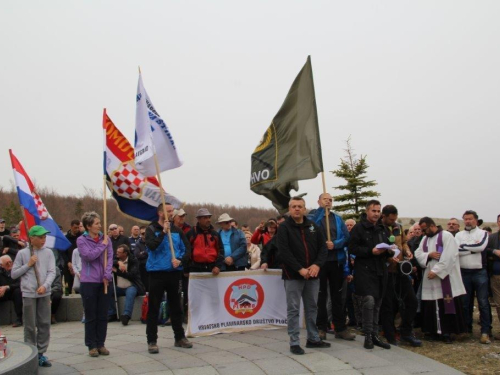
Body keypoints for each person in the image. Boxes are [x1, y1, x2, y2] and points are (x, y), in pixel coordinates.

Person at [278, 196, 329, 355]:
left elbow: (323, 249)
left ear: (305, 208)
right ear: (289, 209)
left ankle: (313, 338)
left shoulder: (313, 226)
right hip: (293, 275)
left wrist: (316, 265)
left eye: (300, 206)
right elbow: (284, 252)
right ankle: (294, 341)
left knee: (312, 307)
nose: (297, 209)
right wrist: (300, 269)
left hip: (313, 275)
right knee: (293, 309)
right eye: (293, 206)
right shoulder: (284, 228)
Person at [145, 203, 192, 353]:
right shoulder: (151, 229)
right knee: (154, 307)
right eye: (169, 211)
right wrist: (163, 233)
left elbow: (187, 250)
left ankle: (179, 337)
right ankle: (152, 340)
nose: (172, 213)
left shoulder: (178, 230)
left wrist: (180, 260)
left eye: (172, 211)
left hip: (174, 273)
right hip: (157, 273)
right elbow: (152, 246)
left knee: (176, 307)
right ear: (160, 213)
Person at [308, 193, 354, 341]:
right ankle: (321, 327)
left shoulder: (338, 219)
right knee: (321, 295)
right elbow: (310, 230)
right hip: (320, 262)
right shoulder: (313, 216)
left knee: (337, 295)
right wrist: (322, 210)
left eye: (330, 200)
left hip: (336, 261)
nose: (328, 201)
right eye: (325, 199)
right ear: (319, 201)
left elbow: (346, 238)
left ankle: (339, 328)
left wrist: (335, 244)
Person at [349, 200, 393, 350]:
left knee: (378, 303)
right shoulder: (358, 228)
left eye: (378, 211)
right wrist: (370, 251)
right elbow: (352, 248)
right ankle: (367, 335)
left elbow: (387, 245)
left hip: (380, 270)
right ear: (367, 211)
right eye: (373, 211)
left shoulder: (383, 229)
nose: (376, 214)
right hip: (365, 270)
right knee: (369, 301)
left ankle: (374, 334)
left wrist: (390, 251)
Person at [415, 217, 467, 343]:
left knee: (446, 303)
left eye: (424, 229)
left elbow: (450, 255)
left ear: (432, 226)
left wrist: (436, 271)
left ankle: (447, 333)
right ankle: (433, 331)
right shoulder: (425, 239)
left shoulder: (446, 236)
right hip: (430, 279)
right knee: (431, 305)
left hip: (444, 278)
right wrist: (429, 255)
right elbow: (418, 253)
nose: (423, 232)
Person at [12, 225, 56, 367]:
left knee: (44, 323)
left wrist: (45, 286)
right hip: (29, 293)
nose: (43, 240)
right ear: (32, 238)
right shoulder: (23, 254)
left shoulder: (48, 253)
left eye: (44, 237)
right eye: (40, 237)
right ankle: (30, 353)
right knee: (30, 325)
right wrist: (28, 265)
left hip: (44, 292)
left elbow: (52, 272)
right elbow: (14, 274)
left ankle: (41, 353)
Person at [378, 205, 421, 347]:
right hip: (386, 271)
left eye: (395, 219)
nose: (393, 222)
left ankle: (406, 332)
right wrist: (388, 258)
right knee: (388, 305)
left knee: (411, 301)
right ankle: (390, 335)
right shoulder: (377, 228)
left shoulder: (398, 227)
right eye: (391, 219)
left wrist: (407, 251)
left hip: (401, 270)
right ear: (383, 216)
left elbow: (403, 242)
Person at [77, 212, 113, 357]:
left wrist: (107, 273)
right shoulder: (81, 240)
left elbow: (110, 257)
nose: (99, 225)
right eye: (97, 223)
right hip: (89, 281)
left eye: (99, 223)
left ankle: (101, 343)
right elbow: (88, 256)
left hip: (103, 281)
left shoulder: (106, 239)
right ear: (88, 226)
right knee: (91, 314)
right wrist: (101, 246)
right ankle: (91, 345)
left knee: (103, 314)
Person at [455, 210, 490, 344]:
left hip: (479, 272)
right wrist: (471, 249)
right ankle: (466, 329)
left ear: (476, 220)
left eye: (470, 219)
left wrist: (464, 248)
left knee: (483, 302)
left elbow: (481, 247)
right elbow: (455, 250)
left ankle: (485, 331)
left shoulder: (483, 234)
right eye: (466, 219)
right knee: (465, 303)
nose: (468, 221)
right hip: (464, 272)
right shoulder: (459, 235)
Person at [108, 244, 145, 325]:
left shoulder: (133, 260)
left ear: (125, 253)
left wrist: (118, 272)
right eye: (117, 252)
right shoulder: (116, 259)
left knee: (130, 294)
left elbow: (131, 275)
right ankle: (111, 313)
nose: (117, 253)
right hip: (119, 287)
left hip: (131, 285)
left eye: (119, 252)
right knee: (108, 290)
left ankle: (126, 315)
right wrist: (119, 262)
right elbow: (109, 262)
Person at [185, 208, 224, 275]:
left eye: (209, 217)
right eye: (205, 218)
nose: (208, 220)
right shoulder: (191, 233)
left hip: (212, 269)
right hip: (195, 269)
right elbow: (186, 251)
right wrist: (186, 269)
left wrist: (218, 266)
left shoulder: (215, 234)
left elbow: (221, 250)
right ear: (199, 219)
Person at [486, 214, 500, 339]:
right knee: (499, 304)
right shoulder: (493, 238)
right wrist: (495, 251)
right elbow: (486, 249)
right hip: (496, 275)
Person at [0, 255, 23, 327]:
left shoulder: (16, 270)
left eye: (11, 262)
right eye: (7, 263)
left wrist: (7, 287)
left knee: (18, 292)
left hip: (12, 291)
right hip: (2, 293)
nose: (10, 264)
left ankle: (19, 319)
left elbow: (20, 283)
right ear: (2, 265)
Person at [61, 220, 82, 295]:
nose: (76, 229)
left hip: (79, 263)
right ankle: (68, 294)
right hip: (69, 262)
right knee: (68, 283)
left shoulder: (81, 237)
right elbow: (63, 252)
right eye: (75, 228)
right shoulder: (66, 238)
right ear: (71, 227)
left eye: (78, 227)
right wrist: (68, 262)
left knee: (79, 285)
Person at [133, 226, 149, 292]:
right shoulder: (138, 243)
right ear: (140, 234)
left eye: (145, 233)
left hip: (152, 265)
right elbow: (137, 255)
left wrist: (143, 252)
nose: (144, 235)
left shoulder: (151, 241)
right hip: (142, 266)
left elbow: (153, 252)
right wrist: (146, 252)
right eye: (142, 234)